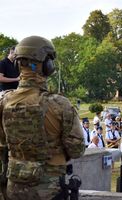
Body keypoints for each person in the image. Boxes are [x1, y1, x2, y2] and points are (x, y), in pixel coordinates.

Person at [0, 36, 85, 199]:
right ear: (46, 66)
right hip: (49, 191)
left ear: (18, 65)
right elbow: (76, 149)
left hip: (13, 190)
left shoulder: (4, 102)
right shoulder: (60, 104)